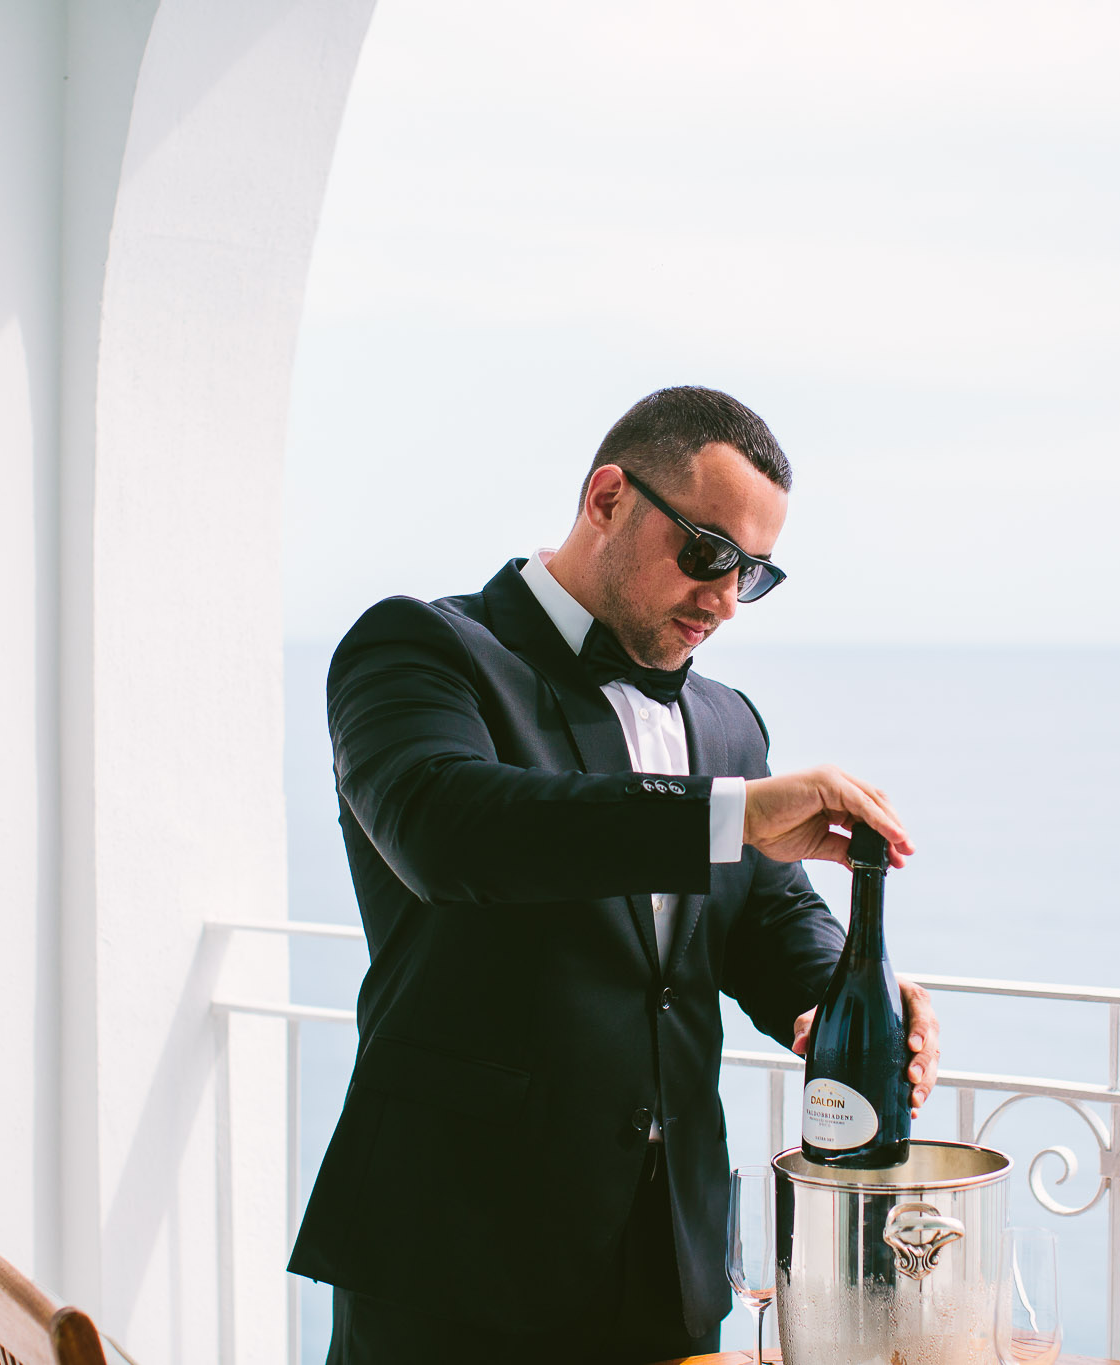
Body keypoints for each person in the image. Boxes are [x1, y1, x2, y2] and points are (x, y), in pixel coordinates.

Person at [287, 386, 942, 1364]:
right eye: (707, 553)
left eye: (752, 573)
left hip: (667, 1263)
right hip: (456, 1255)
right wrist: (730, 814)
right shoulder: (419, 649)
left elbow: (766, 915)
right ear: (607, 499)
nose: (724, 599)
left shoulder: (727, 722)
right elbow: (449, 830)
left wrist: (840, 997)